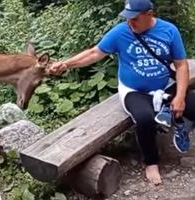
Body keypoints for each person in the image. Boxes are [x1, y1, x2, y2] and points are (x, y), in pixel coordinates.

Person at [49, 0, 195, 185]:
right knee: (144, 119)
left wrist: (180, 97)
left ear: (149, 14)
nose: (130, 23)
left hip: (165, 85)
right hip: (134, 91)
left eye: (134, 18)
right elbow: (95, 53)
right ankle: (151, 162)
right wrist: (66, 64)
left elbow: (181, 65)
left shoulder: (169, 30)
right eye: (127, 18)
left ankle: (182, 125)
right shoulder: (120, 32)